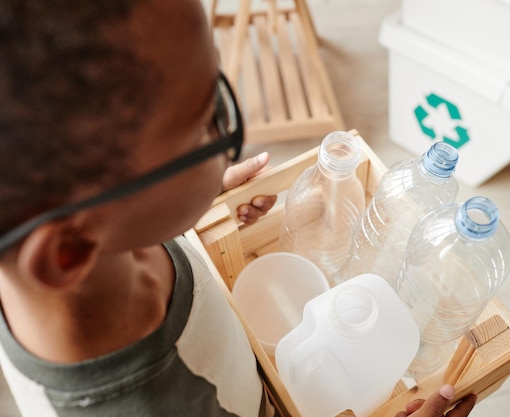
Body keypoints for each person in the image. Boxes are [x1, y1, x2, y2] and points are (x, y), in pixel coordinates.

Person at [0, 0, 476, 416]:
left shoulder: (77, 236)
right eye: (208, 124)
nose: (224, 137)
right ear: (67, 254)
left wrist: (181, 208)